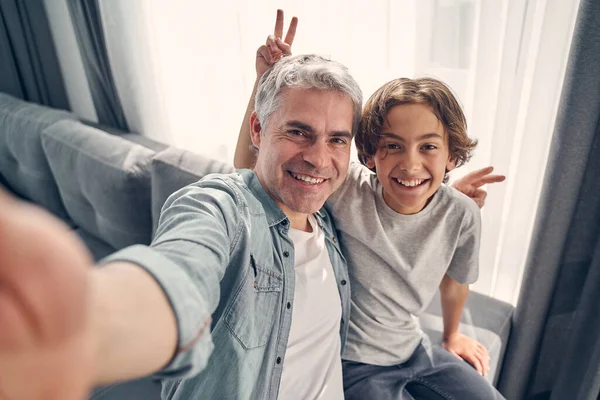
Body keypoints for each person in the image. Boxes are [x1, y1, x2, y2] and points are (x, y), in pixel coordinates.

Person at [0, 10, 500, 400]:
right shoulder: (226, 209)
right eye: (298, 132)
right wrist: (82, 332)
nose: (318, 158)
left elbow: (447, 266)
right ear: (261, 132)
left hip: (397, 354)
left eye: (336, 140)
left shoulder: (331, 210)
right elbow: (183, 268)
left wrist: (441, 193)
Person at [235, 11, 506, 400]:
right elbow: (251, 169)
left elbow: (456, 281)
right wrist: (265, 82)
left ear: (452, 156)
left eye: (428, 147)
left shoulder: (462, 213)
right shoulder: (347, 190)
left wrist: (452, 335)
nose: (410, 164)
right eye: (392, 146)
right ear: (369, 155)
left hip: (415, 348)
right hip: (354, 363)